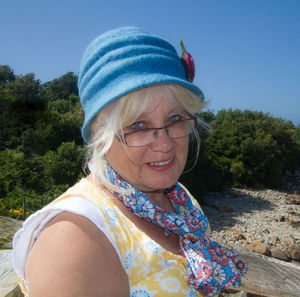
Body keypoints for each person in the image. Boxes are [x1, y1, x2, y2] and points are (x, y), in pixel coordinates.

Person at [13, 26, 246, 297]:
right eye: (137, 125)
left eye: (175, 118)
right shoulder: (74, 240)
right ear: (101, 135)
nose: (165, 144)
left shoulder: (181, 202)